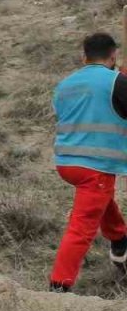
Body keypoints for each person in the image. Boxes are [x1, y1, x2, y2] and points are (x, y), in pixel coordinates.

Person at [49, 33, 127, 292]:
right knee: (81, 229)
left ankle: (120, 242)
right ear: (113, 56)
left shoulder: (65, 85)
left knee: (101, 199)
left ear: (84, 57)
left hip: (65, 163)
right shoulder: (116, 81)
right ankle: (58, 287)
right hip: (95, 165)